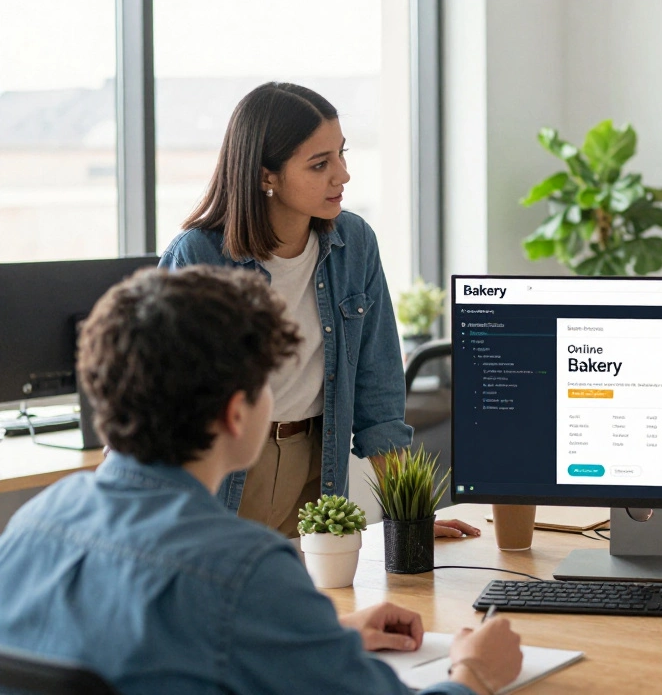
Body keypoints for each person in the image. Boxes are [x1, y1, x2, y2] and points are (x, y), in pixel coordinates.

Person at [0, 266, 520, 694]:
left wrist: (316, 639)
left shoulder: (30, 529)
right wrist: (474, 672)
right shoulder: (243, 572)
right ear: (235, 414)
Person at [160, 82, 474, 540]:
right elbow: (154, 398)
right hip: (224, 468)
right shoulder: (199, 256)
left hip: (316, 461)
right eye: (320, 164)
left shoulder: (355, 244)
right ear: (266, 175)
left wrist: (413, 518)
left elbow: (379, 395)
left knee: (312, 604)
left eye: (342, 155)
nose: (342, 175)